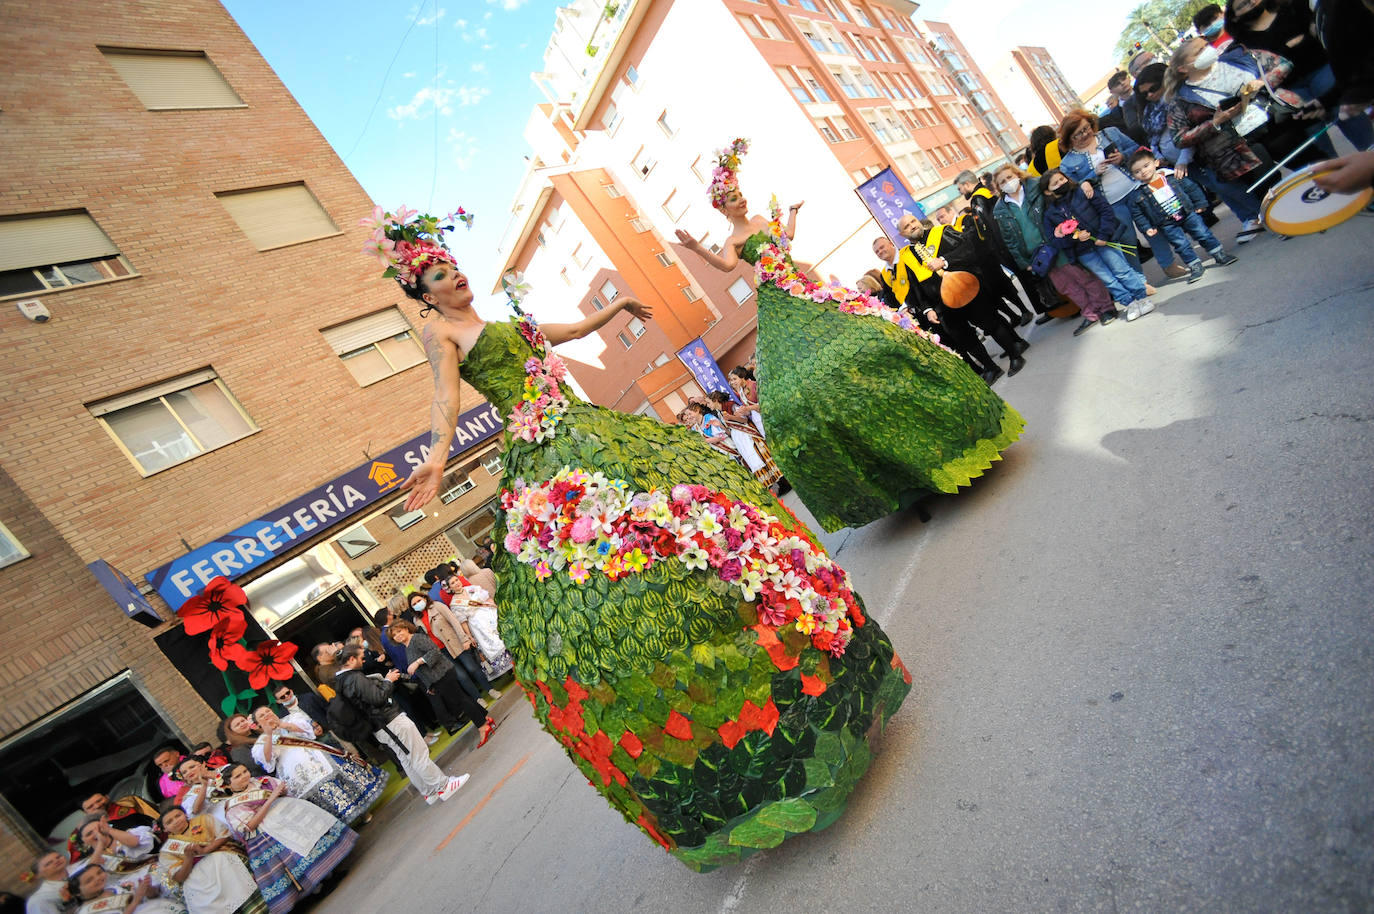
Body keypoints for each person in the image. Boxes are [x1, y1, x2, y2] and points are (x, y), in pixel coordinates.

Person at [373, 202, 911, 870]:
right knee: (617, 572)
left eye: (450, 264)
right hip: (548, 455)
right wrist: (434, 456)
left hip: (594, 432)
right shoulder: (443, 338)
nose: (451, 276)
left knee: (708, 513)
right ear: (419, 293)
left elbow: (566, 330)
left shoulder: (509, 324)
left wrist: (618, 309)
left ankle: (814, 654)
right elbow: (443, 402)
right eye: (434, 274)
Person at [1163, 36, 1322, 243]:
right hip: (1238, 144)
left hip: (1274, 120)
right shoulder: (1181, 99)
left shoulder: (1237, 58)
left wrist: (1262, 83)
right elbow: (1179, 138)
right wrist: (1215, 122)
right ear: (1183, 68)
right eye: (1199, 51)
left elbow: (1284, 64)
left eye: (1205, 46)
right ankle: (1288, 221)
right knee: (1269, 186)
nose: (1207, 51)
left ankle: (1343, 195)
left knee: (1310, 162)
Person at [989, 162, 1119, 336]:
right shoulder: (1000, 209)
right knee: (1065, 286)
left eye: (1009, 177)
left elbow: (1060, 199)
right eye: (1002, 181)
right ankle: (1090, 312)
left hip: (1058, 242)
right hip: (1038, 255)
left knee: (1083, 277)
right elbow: (1009, 239)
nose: (1007, 182)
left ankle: (1106, 308)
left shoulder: (1037, 186)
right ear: (998, 187)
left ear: (1018, 175)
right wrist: (1024, 262)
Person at [1224, 0, 1371, 152]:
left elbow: (1321, 32)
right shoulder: (1242, 44)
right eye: (1242, 5)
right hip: (1290, 88)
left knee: (1342, 108)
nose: (1250, 4)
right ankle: (1333, 170)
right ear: (1234, 17)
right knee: (1311, 127)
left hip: (1320, 68)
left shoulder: (1292, 9)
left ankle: (1369, 150)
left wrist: (1303, 41)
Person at [897, 212, 1031, 376]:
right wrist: (927, 309)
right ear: (902, 234)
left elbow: (969, 249)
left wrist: (944, 260)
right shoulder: (906, 256)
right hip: (941, 303)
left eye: (913, 221)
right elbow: (915, 286)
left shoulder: (942, 232)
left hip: (965, 288)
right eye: (907, 226)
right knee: (965, 338)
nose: (912, 226)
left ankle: (1015, 356)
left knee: (990, 324)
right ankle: (992, 368)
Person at [333, 645, 468, 805]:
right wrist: (388, 681)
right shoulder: (354, 678)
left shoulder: (341, 682)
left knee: (407, 759)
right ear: (350, 660)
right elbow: (377, 698)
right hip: (389, 721)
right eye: (361, 657)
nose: (364, 660)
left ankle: (429, 792)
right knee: (417, 755)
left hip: (381, 726)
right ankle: (443, 786)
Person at [1058, 109, 1178, 277]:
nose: (1085, 134)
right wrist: (1093, 175)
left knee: (1153, 227)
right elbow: (1074, 191)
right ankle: (1139, 281)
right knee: (1126, 240)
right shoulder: (1067, 163)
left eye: (1086, 128)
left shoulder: (1110, 134)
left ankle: (1169, 265)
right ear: (1069, 139)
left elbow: (1137, 150)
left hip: (1135, 189)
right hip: (1110, 203)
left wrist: (1123, 156)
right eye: (1078, 134)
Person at [221, 764, 355, 914]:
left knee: (312, 843)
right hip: (268, 832)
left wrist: (281, 791)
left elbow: (281, 791)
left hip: (289, 815)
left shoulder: (260, 781)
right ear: (228, 784)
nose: (244, 776)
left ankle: (329, 873)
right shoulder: (233, 806)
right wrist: (271, 798)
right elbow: (250, 825)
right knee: (295, 859)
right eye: (237, 776)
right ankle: (317, 888)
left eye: (245, 771)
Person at [870, 232, 1001, 381]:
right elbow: (889, 298)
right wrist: (902, 308)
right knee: (950, 344)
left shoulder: (908, 255)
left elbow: (921, 279)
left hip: (935, 302)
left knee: (965, 335)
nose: (880, 252)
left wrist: (927, 306)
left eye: (882, 247)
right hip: (919, 315)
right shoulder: (885, 274)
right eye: (877, 251)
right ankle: (976, 371)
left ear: (891, 244)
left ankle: (990, 366)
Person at [1040, 169, 1154, 321]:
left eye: (1062, 179)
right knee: (1107, 278)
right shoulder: (1050, 214)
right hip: (1084, 251)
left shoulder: (1082, 191)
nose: (1061, 183)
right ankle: (1129, 303)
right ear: (1048, 192)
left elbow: (1105, 210)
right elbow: (1055, 240)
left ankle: (1141, 298)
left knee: (1122, 270)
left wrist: (1103, 235)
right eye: (1056, 183)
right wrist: (1076, 238)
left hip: (1104, 241)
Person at [249, 704, 386, 826]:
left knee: (340, 782)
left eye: (267, 711)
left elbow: (306, 731)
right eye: (262, 715)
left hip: (317, 758)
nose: (267, 715)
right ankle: (341, 826)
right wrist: (268, 735)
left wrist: (281, 725)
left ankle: (362, 812)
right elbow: (267, 761)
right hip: (297, 775)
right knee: (320, 796)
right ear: (258, 724)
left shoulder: (290, 719)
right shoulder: (259, 744)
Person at [1125, 150, 1239, 282]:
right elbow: (1138, 213)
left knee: (1203, 233)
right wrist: (1146, 227)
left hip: (1187, 213)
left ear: (1156, 163)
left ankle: (1219, 254)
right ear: (1133, 176)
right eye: (1137, 171)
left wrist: (1200, 203)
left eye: (1146, 166)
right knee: (1181, 244)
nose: (1143, 171)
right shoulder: (1137, 194)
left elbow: (1190, 187)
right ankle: (1195, 266)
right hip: (1166, 222)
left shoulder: (1171, 176)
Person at [386, 619, 496, 745]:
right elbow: (421, 670)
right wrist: (428, 685)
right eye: (394, 635)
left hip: (443, 673)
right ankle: (485, 720)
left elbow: (434, 652)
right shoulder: (407, 646)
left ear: (406, 628)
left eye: (399, 631)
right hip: (436, 679)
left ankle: (482, 726)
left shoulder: (416, 638)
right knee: (462, 698)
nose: (398, 635)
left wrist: (418, 662)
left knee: (461, 701)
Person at [952, 171, 1039, 323]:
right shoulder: (986, 194)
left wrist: (994, 247)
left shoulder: (978, 198)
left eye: (960, 189)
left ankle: (1042, 306)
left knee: (1024, 275)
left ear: (967, 184)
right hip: (1005, 242)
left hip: (1000, 245)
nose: (961, 193)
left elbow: (987, 226)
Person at [155, 807, 265, 914]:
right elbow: (179, 877)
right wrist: (189, 858)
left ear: (185, 814)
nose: (175, 821)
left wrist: (205, 850)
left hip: (224, 863)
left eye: (178, 815)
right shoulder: (166, 851)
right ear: (165, 829)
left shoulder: (203, 819)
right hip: (199, 881)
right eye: (169, 822)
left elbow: (225, 834)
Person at [68, 869, 179, 914]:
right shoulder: (85, 911)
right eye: (89, 880)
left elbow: (151, 897)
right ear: (78, 892)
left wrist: (148, 890)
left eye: (98, 873)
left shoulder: (118, 886)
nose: (98, 878)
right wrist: (136, 900)